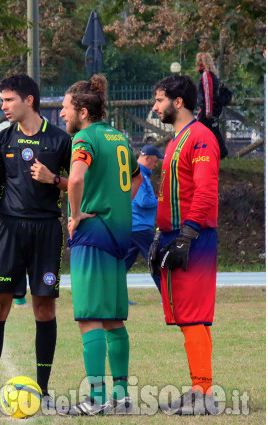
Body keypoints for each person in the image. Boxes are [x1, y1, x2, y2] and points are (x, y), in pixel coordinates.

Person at [0, 74, 71, 411]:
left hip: (46, 231)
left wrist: (53, 179)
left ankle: (42, 391)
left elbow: (77, 184)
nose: (3, 107)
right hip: (9, 232)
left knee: (44, 307)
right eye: (2, 101)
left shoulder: (61, 140)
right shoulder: (1, 141)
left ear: (29, 100)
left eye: (8, 100)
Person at [61, 74, 143, 416]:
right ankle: (122, 395)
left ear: (82, 111)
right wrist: (119, 205)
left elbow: (76, 177)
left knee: (90, 317)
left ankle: (95, 399)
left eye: (65, 108)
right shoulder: (119, 137)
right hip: (118, 235)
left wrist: (77, 214)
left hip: (93, 235)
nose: (62, 115)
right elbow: (137, 177)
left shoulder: (85, 138)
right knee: (113, 318)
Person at [149, 75, 220, 415]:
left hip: (192, 237)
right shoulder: (176, 140)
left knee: (194, 316)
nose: (155, 106)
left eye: (159, 99)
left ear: (178, 102)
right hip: (174, 236)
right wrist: (159, 237)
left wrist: (186, 235)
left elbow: (205, 192)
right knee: (187, 318)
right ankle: (198, 389)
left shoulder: (201, 137)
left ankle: (203, 394)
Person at [124, 145, 164, 297]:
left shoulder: (140, 173)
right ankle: (168, 297)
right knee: (155, 260)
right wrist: (162, 201)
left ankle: (114, 297)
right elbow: (143, 202)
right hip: (139, 227)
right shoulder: (138, 173)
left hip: (134, 226)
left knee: (123, 265)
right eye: (155, 161)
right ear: (147, 158)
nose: (156, 164)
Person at [196, 52, 227, 158]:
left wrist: (208, 111)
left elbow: (208, 94)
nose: (197, 63)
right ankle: (217, 152)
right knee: (212, 130)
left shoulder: (206, 75)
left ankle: (218, 152)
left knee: (204, 131)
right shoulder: (212, 75)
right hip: (210, 108)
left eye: (199, 61)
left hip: (209, 109)